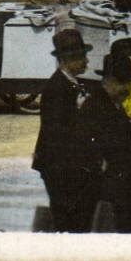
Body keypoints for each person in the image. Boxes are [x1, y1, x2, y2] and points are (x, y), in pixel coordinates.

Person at [30, 28, 94, 232]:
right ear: (67, 60)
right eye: (82, 57)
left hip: (64, 165)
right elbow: (57, 132)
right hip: (60, 166)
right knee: (67, 218)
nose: (86, 62)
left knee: (72, 216)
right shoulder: (57, 88)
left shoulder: (71, 84)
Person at [81, 51, 131, 232]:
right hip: (111, 199)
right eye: (121, 82)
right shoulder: (95, 107)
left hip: (125, 196)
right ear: (106, 81)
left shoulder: (114, 104)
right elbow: (99, 150)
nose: (126, 87)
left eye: (129, 82)